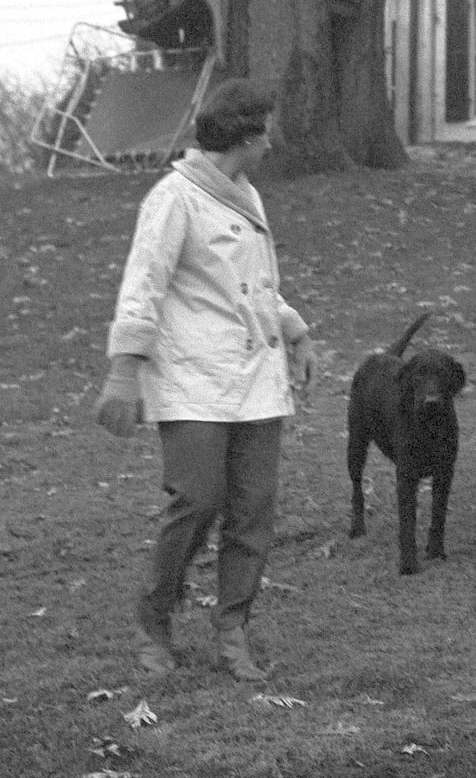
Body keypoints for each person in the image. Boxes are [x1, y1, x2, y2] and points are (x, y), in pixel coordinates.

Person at [94, 79, 318, 681]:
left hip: (257, 380)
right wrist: (124, 371)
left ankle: (233, 628)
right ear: (245, 135)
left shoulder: (247, 194)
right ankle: (154, 619)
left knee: (253, 509)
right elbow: (142, 285)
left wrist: (294, 330)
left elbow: (256, 286)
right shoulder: (173, 198)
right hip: (193, 380)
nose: (271, 142)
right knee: (197, 500)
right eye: (265, 130)